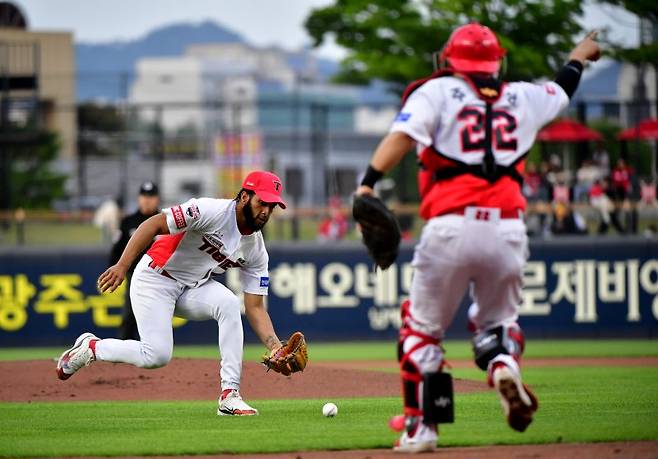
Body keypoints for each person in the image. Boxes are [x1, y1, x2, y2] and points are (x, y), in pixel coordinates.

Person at [354, 24, 600, 452]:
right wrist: (578, 54)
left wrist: (368, 184)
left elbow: (399, 139)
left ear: (450, 60)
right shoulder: (521, 95)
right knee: (497, 323)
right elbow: (562, 89)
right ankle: (503, 364)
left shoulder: (437, 91)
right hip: (507, 229)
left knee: (421, 331)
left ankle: (422, 428)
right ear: (496, 62)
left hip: (450, 226)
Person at [57, 171, 290, 416]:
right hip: (155, 279)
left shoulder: (256, 249)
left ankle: (229, 396)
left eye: (272, 205)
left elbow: (254, 307)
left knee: (230, 304)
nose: (266, 210)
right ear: (244, 196)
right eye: (261, 202)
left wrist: (275, 346)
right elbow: (153, 223)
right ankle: (92, 347)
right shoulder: (210, 211)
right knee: (156, 355)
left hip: (192, 287)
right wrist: (123, 265)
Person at [109, 181, 161, 340]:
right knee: (129, 314)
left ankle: (157, 352)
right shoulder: (128, 221)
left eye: (151, 196)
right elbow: (116, 249)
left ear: (157, 199)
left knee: (158, 316)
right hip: (135, 276)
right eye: (144, 196)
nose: (147, 200)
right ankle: (123, 351)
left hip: (161, 276)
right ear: (139, 198)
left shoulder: (166, 221)